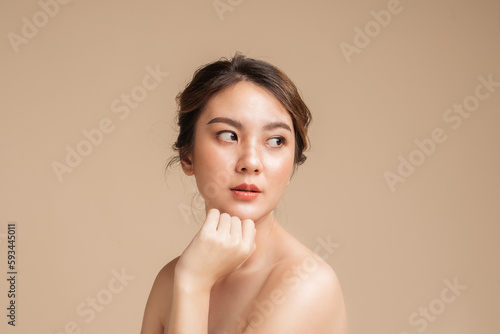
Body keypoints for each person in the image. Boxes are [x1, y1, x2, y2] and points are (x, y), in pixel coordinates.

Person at [140, 53, 348, 334]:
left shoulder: (307, 284)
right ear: (187, 156)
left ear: (291, 165)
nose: (251, 161)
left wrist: (193, 286)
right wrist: (191, 281)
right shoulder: (171, 279)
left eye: (276, 141)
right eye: (228, 135)